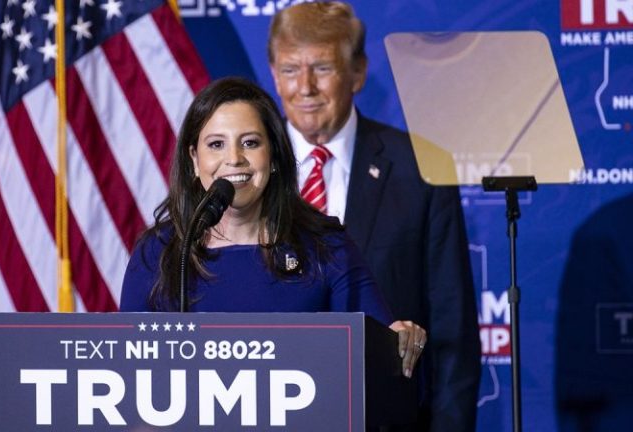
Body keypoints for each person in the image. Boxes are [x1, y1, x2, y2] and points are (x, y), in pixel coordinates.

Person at [120, 77, 426, 378]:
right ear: (194, 161)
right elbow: (129, 371)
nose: (234, 159)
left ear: (274, 156)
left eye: (250, 143)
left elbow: (377, 354)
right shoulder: (158, 253)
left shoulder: (325, 246)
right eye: (216, 144)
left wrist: (399, 341)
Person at [267, 2, 481, 431]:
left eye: (322, 68)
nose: (305, 87)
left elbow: (452, 329)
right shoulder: (250, 169)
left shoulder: (420, 167)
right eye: (290, 70)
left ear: (358, 73)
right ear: (274, 74)